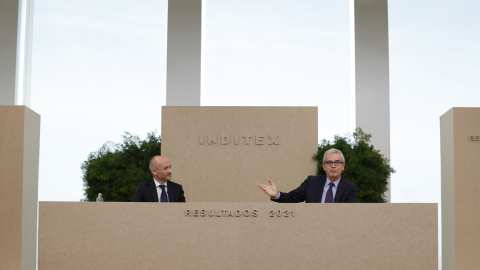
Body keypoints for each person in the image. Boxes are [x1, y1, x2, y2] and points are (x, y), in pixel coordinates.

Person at [257, 148, 357, 203]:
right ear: (324, 166)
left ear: (343, 166)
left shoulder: (350, 187)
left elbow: (349, 213)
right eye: (329, 162)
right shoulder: (311, 182)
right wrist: (276, 194)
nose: (333, 166)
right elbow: (292, 198)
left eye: (337, 162)